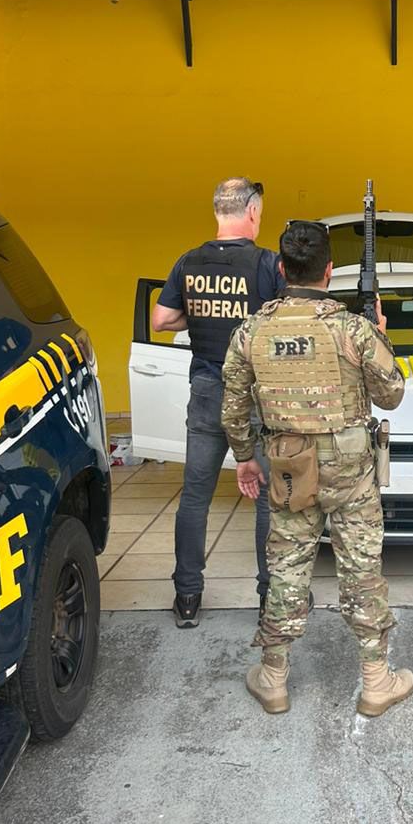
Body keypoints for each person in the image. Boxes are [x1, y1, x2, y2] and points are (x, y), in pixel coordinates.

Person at [221, 219, 412, 718]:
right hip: (351, 468)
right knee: (362, 568)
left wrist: (245, 458)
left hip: (289, 466)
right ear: (329, 270)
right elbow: (392, 394)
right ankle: (375, 682)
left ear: (282, 268)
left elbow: (234, 407)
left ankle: (274, 678)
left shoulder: (252, 330)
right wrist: (379, 336)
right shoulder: (352, 329)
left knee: (287, 568)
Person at [152, 178, 282, 629]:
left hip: (207, 389)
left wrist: (201, 313)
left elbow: (161, 319)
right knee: (266, 497)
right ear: (251, 212)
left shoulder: (189, 261)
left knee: (195, 497)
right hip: (257, 396)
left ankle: (187, 595)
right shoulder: (268, 264)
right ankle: (269, 598)